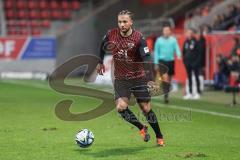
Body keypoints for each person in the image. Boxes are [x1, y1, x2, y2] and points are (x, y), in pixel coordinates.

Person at [96, 10, 164, 146]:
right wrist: (100, 61)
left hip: (139, 78)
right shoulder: (111, 34)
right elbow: (102, 46)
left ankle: (159, 135)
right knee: (121, 107)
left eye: (125, 22)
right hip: (121, 79)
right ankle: (141, 127)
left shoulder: (139, 38)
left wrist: (150, 79)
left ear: (131, 22)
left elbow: (146, 58)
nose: (122, 24)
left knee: (145, 109)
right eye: (120, 22)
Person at [154, 25, 181, 103]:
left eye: (167, 30)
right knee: (165, 78)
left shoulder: (173, 40)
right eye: (165, 30)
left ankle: (166, 93)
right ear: (163, 32)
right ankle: (166, 95)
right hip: (162, 61)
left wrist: (179, 55)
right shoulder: (159, 40)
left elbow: (177, 48)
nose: (166, 32)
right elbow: (156, 52)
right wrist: (156, 63)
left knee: (169, 79)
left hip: (171, 61)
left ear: (170, 31)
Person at [183, 28, 201, 100]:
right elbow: (184, 52)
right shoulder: (186, 42)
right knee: (189, 77)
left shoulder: (196, 41)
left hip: (195, 63)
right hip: (188, 63)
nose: (189, 34)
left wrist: (196, 62)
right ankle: (190, 93)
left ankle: (198, 93)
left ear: (193, 34)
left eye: (191, 33)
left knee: (196, 77)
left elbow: (199, 53)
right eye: (188, 33)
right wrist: (185, 61)